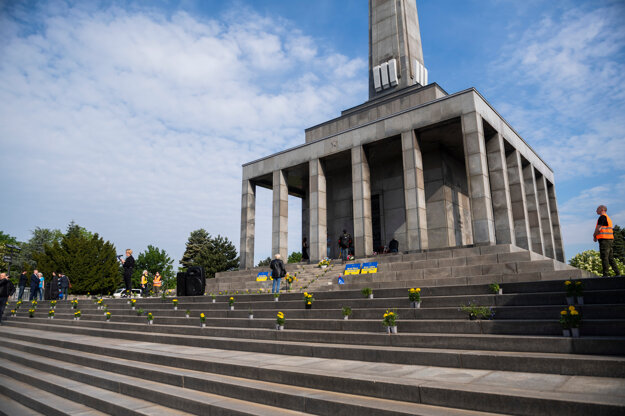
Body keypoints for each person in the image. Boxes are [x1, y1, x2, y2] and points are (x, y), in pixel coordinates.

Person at [593, 205, 621, 277]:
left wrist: (594, 236)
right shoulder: (607, 218)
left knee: (604, 256)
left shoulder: (602, 217)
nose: (596, 211)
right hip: (609, 239)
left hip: (604, 240)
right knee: (610, 257)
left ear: (602, 209)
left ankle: (605, 275)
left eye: (597, 209)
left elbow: (598, 229)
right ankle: (617, 273)